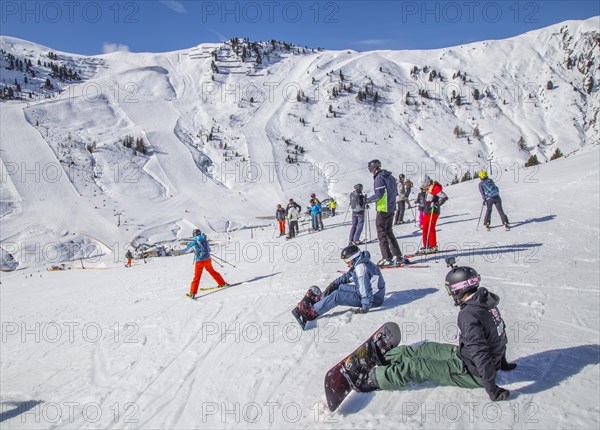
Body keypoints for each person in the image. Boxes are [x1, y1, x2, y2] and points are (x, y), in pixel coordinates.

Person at [342, 264, 517, 402]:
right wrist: (502, 362)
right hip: (465, 357)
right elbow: (500, 335)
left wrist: (492, 388)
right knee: (425, 349)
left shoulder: (468, 315)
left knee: (418, 366)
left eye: (450, 290)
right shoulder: (485, 303)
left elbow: (481, 352)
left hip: (473, 372)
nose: (451, 295)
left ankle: (372, 379)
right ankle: (387, 357)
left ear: (459, 289)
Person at [292, 245, 386, 327]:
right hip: (367, 294)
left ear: (352, 258)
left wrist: (365, 306)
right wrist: (333, 284)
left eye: (346, 261)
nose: (347, 264)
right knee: (339, 287)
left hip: (373, 299)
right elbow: (347, 277)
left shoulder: (361, 268)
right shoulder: (359, 263)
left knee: (337, 296)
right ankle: (321, 299)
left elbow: (365, 289)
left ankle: (311, 313)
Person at [365, 160, 409, 266]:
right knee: (389, 232)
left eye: (370, 169)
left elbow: (379, 195)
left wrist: (366, 200)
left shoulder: (380, 178)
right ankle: (397, 256)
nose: (370, 172)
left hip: (383, 208)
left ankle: (386, 257)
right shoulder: (389, 176)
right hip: (391, 207)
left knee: (382, 234)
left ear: (374, 168)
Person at [183, 229, 228, 299]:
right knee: (212, 271)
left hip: (199, 261)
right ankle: (222, 283)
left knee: (197, 277)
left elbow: (186, 250)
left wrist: (186, 249)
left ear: (194, 235)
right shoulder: (205, 239)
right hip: (208, 259)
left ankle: (192, 293)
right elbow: (209, 249)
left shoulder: (194, 241)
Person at [422, 177, 448, 253]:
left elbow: (444, 197)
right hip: (427, 211)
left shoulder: (435, 187)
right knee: (425, 229)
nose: (424, 187)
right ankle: (426, 245)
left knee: (431, 228)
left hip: (433, 211)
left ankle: (433, 246)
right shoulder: (428, 188)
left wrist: (436, 204)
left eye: (425, 185)